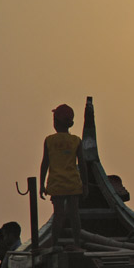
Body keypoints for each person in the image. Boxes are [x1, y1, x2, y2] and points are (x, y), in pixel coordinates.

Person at [39, 103, 88, 246]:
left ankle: (54, 244)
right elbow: (83, 165)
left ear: (55, 122)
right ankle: (77, 244)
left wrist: (41, 184)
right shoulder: (76, 141)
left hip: (56, 184)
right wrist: (85, 184)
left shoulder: (49, 140)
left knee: (58, 215)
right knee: (74, 215)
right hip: (73, 183)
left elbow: (45, 164)